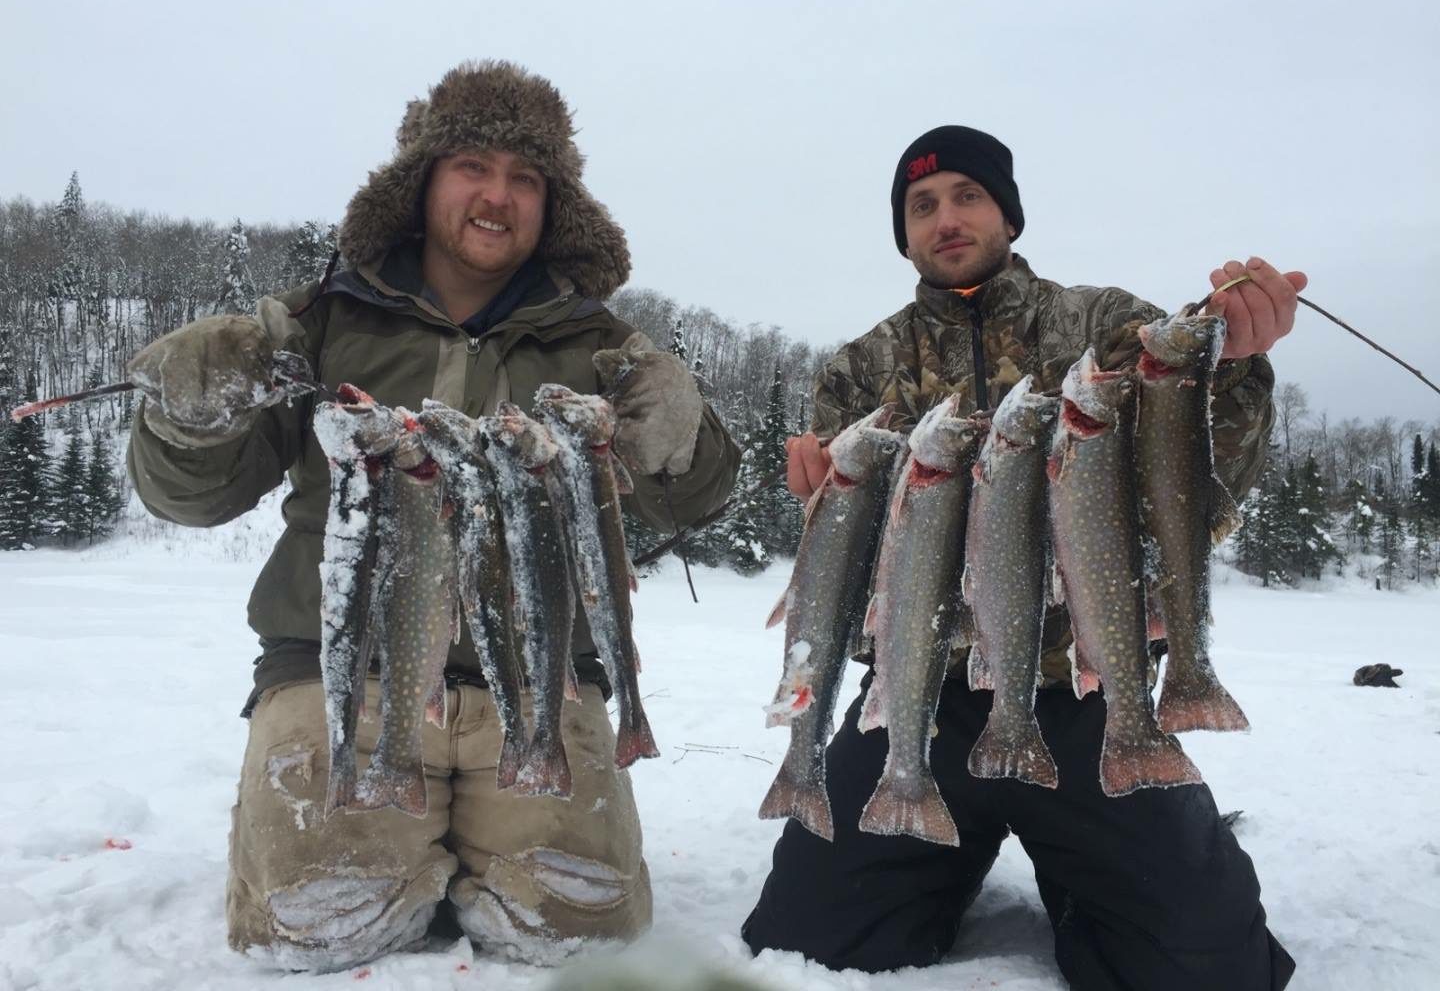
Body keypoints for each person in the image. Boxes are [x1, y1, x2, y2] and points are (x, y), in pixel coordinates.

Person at [125, 60, 740, 971]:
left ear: (553, 202)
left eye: (525, 178)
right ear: (421, 181)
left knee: (581, 938)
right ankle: (383, 841)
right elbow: (193, 496)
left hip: (541, 679)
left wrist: (682, 438)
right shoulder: (313, 324)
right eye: (473, 167)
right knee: (317, 924)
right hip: (344, 676)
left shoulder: (602, 345)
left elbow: (692, 501)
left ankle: (475, 841)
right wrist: (185, 413)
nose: (498, 196)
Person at [741, 125, 1301, 989]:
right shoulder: (860, 367)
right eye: (921, 206)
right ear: (904, 234)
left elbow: (1196, 482)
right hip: (918, 694)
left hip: (1081, 693)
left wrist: (1238, 368)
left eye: (968, 195)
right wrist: (820, 494)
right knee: (812, 939)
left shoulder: (1105, 326)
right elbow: (850, 555)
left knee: (1206, 966)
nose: (946, 217)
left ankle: (1083, 879)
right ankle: (942, 862)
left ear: (1008, 214)